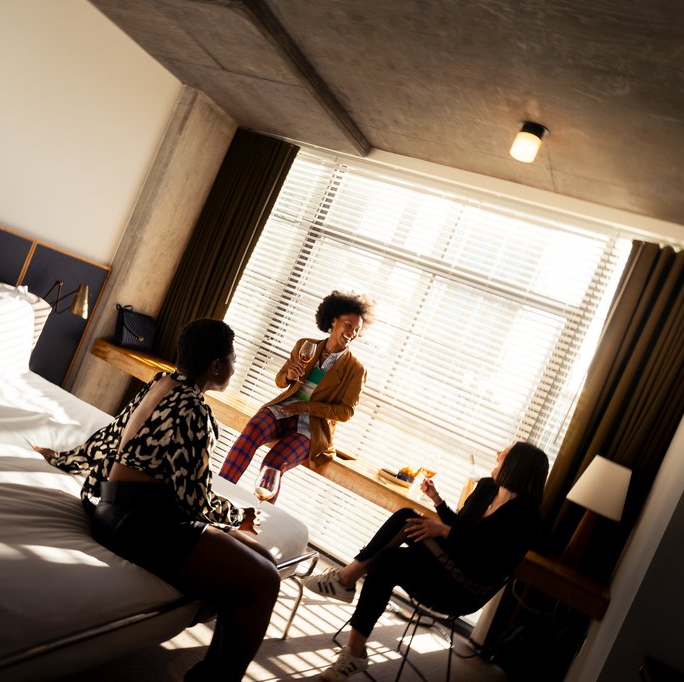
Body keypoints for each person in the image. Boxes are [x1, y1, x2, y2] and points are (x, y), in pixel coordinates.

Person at [37, 318, 281, 682]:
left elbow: (112, 436)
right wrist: (238, 516)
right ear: (216, 365)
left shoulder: (162, 383)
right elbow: (195, 498)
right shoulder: (194, 410)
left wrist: (65, 458)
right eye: (232, 358)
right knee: (265, 582)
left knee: (263, 559)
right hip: (142, 522)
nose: (234, 365)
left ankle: (212, 670)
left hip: (115, 509)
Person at [304, 442, 549, 681]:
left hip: (464, 587)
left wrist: (443, 532)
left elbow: (483, 560)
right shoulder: (486, 488)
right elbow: (459, 528)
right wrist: (437, 501)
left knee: (389, 560)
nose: (497, 454)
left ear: (516, 465)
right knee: (406, 519)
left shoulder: (525, 517)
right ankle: (349, 607)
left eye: (504, 453)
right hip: (446, 562)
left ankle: (345, 586)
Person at [217, 290, 375, 501]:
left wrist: (307, 407)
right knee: (251, 432)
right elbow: (280, 380)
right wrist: (289, 375)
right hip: (284, 410)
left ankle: (256, 520)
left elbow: (346, 412)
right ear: (334, 319)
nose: (352, 333)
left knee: (272, 465)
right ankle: (217, 495)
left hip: (312, 427)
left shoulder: (355, 369)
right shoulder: (305, 345)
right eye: (348, 325)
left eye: (356, 330)